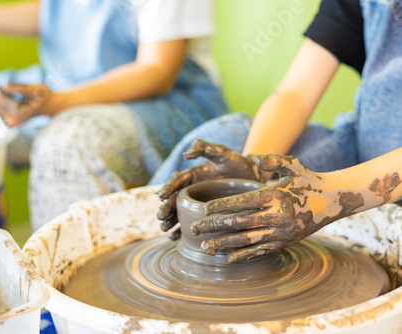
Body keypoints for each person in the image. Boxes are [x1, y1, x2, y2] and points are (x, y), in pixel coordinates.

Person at [0, 0, 227, 230]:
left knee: (64, 148)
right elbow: (57, 11)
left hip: (162, 103)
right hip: (62, 85)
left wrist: (56, 103)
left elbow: (156, 71)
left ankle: (66, 308)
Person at [152, 0, 402, 263]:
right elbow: (295, 94)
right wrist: (253, 167)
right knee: (229, 138)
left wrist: (329, 200)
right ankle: (153, 233)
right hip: (364, 148)